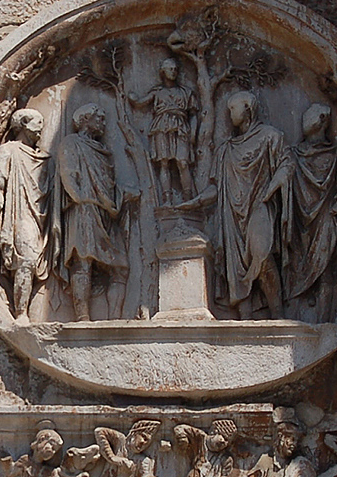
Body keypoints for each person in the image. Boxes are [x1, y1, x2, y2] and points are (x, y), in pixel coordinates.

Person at [209, 91, 292, 319]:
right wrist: (191, 204)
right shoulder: (226, 149)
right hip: (232, 215)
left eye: (233, 109)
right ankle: (244, 321)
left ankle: (278, 314)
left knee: (262, 253)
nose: (230, 114)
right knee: (234, 267)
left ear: (248, 109)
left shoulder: (270, 136)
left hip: (259, 206)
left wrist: (271, 188)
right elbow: (215, 189)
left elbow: (287, 164)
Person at [51, 105, 133, 321]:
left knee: (120, 266)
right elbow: (68, 176)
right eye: (100, 117)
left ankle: (115, 317)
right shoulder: (71, 143)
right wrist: (82, 200)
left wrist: (119, 198)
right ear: (86, 119)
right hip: (84, 210)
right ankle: (82, 316)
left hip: (106, 212)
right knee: (83, 261)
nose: (104, 123)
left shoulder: (101, 150)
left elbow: (108, 183)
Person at [284, 102, 337, 320]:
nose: (305, 119)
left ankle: (324, 320)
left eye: (311, 116)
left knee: (325, 268)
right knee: (296, 269)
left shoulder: (336, 154)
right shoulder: (295, 154)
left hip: (325, 216)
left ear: (322, 121)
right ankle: (293, 319)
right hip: (298, 219)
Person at [0, 108, 51, 321]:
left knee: (41, 263)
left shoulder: (41, 157)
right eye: (37, 122)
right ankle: (21, 313)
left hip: (42, 214)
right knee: (27, 260)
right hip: (19, 213)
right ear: (23, 123)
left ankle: (35, 311)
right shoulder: (8, 150)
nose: (41, 128)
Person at [130, 58, 199, 203]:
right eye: (170, 69)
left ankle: (188, 197)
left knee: (183, 162)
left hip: (181, 127)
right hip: (161, 126)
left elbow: (193, 114)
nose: (173, 72)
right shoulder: (157, 91)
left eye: (175, 69)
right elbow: (141, 102)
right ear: (163, 72)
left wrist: (193, 132)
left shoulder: (186, 92)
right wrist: (132, 97)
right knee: (164, 163)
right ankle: (167, 198)